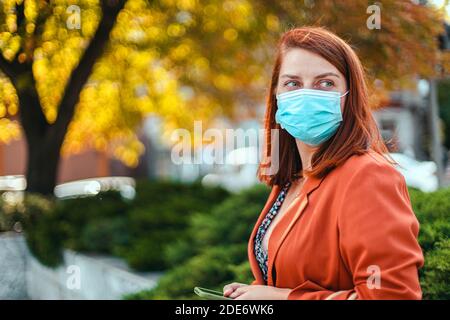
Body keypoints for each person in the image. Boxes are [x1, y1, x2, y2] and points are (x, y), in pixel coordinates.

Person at [223, 26, 424, 300]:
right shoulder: (293, 180)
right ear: (277, 96)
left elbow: (392, 296)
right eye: (292, 83)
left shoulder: (369, 176)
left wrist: (282, 297)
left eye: (325, 83)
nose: (307, 94)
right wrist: (255, 293)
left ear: (348, 96)